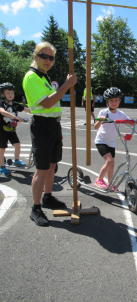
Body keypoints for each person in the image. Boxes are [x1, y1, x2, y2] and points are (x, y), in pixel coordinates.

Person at [23, 41, 77, 227]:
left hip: (53, 125)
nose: (48, 60)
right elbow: (46, 103)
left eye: (51, 57)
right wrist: (67, 85)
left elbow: (51, 103)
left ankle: (47, 198)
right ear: (35, 56)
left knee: (52, 165)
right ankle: (35, 208)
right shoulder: (32, 77)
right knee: (42, 169)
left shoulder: (43, 76)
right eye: (44, 56)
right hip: (42, 127)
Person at [94, 87, 137, 191]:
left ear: (120, 101)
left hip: (111, 143)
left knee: (112, 165)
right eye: (111, 100)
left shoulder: (120, 114)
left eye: (116, 100)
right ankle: (99, 180)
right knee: (109, 162)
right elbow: (95, 127)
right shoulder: (103, 112)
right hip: (101, 141)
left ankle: (110, 184)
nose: (114, 102)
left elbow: (130, 122)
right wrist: (100, 120)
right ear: (107, 101)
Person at [0, 82, 31, 177]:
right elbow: (2, 112)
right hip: (1, 131)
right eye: (8, 92)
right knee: (2, 149)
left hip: (11, 130)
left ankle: (16, 161)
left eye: (12, 92)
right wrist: (16, 118)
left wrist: (40, 111)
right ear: (2, 94)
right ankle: (2, 167)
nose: (10, 94)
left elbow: (27, 110)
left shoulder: (15, 104)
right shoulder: (1, 103)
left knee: (17, 145)